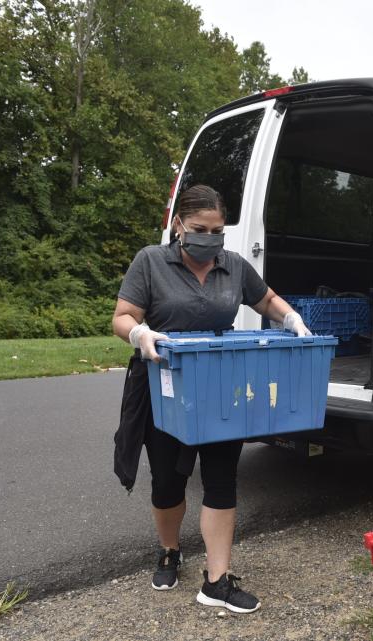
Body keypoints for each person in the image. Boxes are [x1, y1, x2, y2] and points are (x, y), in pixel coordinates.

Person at [111, 184, 310, 614]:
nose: (209, 238)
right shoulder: (150, 261)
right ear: (179, 225)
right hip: (165, 390)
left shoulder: (233, 266)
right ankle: (169, 549)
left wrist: (291, 318)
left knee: (221, 479)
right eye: (200, 228)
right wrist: (139, 332)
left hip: (221, 388)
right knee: (168, 482)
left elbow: (267, 299)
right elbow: (122, 316)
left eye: (217, 230)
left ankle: (217, 580)